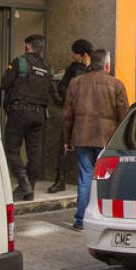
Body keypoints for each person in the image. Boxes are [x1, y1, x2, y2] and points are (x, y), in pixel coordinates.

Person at [63, 48, 129, 231]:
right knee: (108, 179)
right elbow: (124, 116)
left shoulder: (76, 83)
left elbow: (68, 114)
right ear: (107, 65)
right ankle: (106, 217)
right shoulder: (116, 85)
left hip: (82, 137)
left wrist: (67, 139)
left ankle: (81, 220)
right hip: (107, 141)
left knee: (85, 178)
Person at [1, 34, 54, 201]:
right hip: (39, 115)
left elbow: (5, 83)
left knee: (11, 149)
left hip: (20, 112)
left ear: (27, 46)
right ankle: (29, 190)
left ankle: (23, 183)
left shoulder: (20, 62)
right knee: (34, 154)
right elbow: (53, 92)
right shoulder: (47, 67)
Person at [46, 38, 93, 194]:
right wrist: (71, 100)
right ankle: (60, 180)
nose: (74, 57)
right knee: (64, 146)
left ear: (83, 54)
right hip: (75, 113)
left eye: (75, 54)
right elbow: (62, 86)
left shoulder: (95, 69)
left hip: (91, 116)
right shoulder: (73, 68)